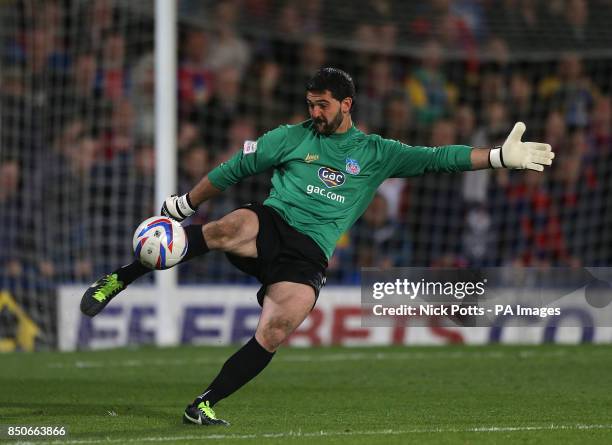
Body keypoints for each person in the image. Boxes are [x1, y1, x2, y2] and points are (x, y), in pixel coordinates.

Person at [80, 67, 554, 426]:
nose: (314, 112)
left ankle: (203, 404)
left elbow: (438, 159)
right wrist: (184, 204)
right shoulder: (290, 137)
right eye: (310, 103)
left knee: (278, 327)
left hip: (308, 254)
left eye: (323, 104)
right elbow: (231, 171)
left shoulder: (375, 153)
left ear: (347, 104)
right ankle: (118, 279)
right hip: (272, 223)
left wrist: (496, 157)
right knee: (230, 225)